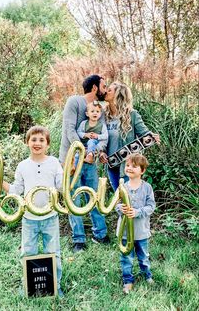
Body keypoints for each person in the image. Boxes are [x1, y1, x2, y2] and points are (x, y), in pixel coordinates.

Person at [0, 126, 64, 298]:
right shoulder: (23, 166)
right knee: (28, 252)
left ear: (48, 144)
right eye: (33, 139)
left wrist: (71, 172)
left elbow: (61, 187)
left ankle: (55, 285)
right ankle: (29, 286)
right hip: (29, 219)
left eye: (41, 140)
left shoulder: (54, 162)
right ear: (27, 142)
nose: (37, 143)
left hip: (50, 217)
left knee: (53, 251)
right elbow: (16, 190)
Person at [59, 74, 110, 253]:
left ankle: (100, 234)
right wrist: (81, 153)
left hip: (90, 162)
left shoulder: (99, 108)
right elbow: (69, 130)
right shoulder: (74, 102)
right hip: (71, 160)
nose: (106, 89)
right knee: (74, 199)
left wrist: (94, 153)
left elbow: (103, 138)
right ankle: (78, 240)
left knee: (94, 196)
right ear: (95, 87)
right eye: (104, 86)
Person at [99, 82, 160, 190]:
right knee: (118, 199)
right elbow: (100, 138)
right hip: (111, 166)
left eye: (109, 90)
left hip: (129, 166)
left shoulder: (132, 115)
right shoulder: (103, 115)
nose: (106, 92)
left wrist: (152, 136)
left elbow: (144, 133)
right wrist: (101, 152)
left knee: (129, 198)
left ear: (117, 95)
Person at [116, 153, 155, 294]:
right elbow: (115, 204)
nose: (129, 168)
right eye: (127, 165)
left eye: (134, 166)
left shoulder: (147, 188)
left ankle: (147, 275)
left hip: (141, 231)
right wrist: (121, 208)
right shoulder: (122, 187)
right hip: (125, 232)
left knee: (143, 256)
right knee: (126, 258)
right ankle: (128, 280)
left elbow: (151, 206)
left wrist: (137, 212)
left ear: (142, 170)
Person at [75, 101, 108, 165]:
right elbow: (78, 132)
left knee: (91, 141)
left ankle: (90, 156)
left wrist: (97, 136)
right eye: (92, 111)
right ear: (87, 114)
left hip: (96, 145)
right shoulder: (84, 123)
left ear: (100, 114)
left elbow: (106, 135)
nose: (95, 113)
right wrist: (85, 135)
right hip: (85, 145)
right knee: (77, 155)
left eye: (97, 111)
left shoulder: (102, 125)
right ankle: (74, 167)